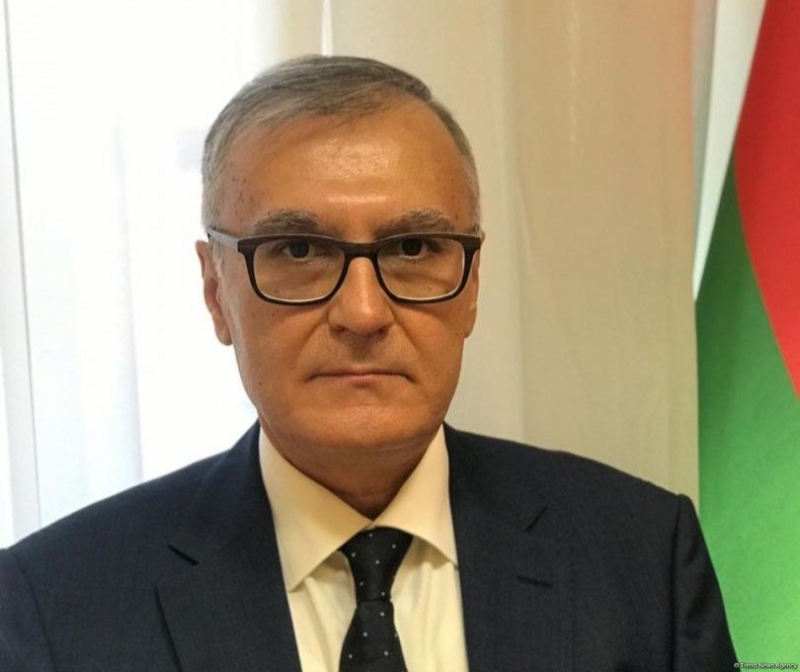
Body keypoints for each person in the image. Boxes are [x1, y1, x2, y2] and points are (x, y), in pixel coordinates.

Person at [0, 55, 735, 671]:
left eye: (413, 249)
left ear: (472, 286)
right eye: (298, 251)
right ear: (215, 291)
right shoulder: (53, 606)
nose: (362, 313)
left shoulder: (642, 556)